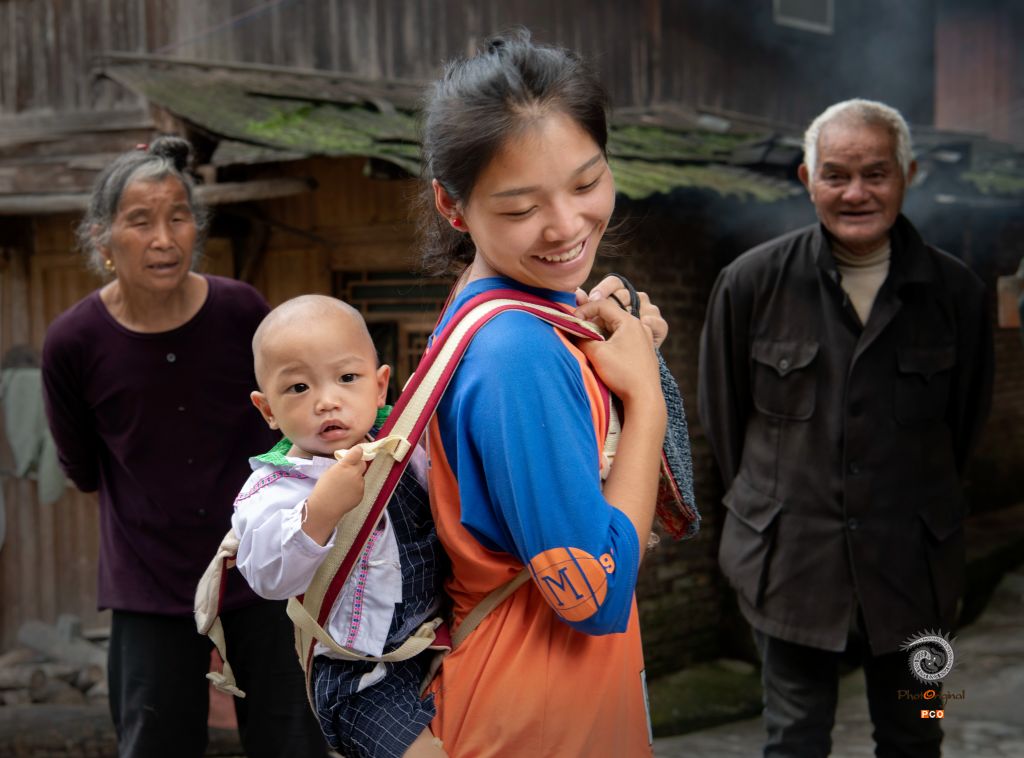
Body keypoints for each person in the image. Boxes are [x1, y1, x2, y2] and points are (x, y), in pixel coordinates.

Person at [698, 98, 994, 757]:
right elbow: (724, 424)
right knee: (794, 740)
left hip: (915, 569)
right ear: (808, 180)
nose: (855, 193)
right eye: (836, 175)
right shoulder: (750, 284)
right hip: (790, 565)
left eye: (876, 174)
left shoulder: (957, 293)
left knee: (917, 734)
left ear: (909, 175)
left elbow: (964, 427)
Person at [418, 32, 668, 757]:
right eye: (522, 206)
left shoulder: (495, 311)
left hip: (533, 695)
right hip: (538, 715)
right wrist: (645, 401)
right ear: (452, 206)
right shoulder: (517, 350)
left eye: (586, 185)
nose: (566, 226)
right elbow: (591, 595)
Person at [40, 137, 329, 758]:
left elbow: (289, 425)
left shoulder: (240, 311)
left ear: (197, 227)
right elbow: (81, 467)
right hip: (147, 582)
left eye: (178, 218)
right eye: (140, 221)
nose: (163, 239)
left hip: (260, 564)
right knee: (155, 742)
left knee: (293, 741)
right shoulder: (73, 342)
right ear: (101, 237)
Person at [232, 294, 447, 758]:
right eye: (298, 388)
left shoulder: (410, 447)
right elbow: (268, 579)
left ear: (380, 385)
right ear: (267, 409)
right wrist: (319, 513)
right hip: (361, 678)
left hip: (441, 642)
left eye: (347, 378)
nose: (327, 401)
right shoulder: (273, 487)